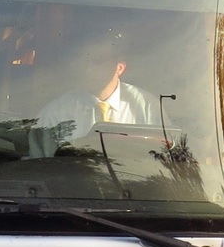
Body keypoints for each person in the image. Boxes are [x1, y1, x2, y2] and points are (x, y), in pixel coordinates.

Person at [30, 28, 159, 155]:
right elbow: (41, 164)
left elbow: (163, 156)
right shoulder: (56, 113)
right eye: (83, 61)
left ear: (119, 68)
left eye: (98, 61)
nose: (88, 69)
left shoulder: (146, 107)